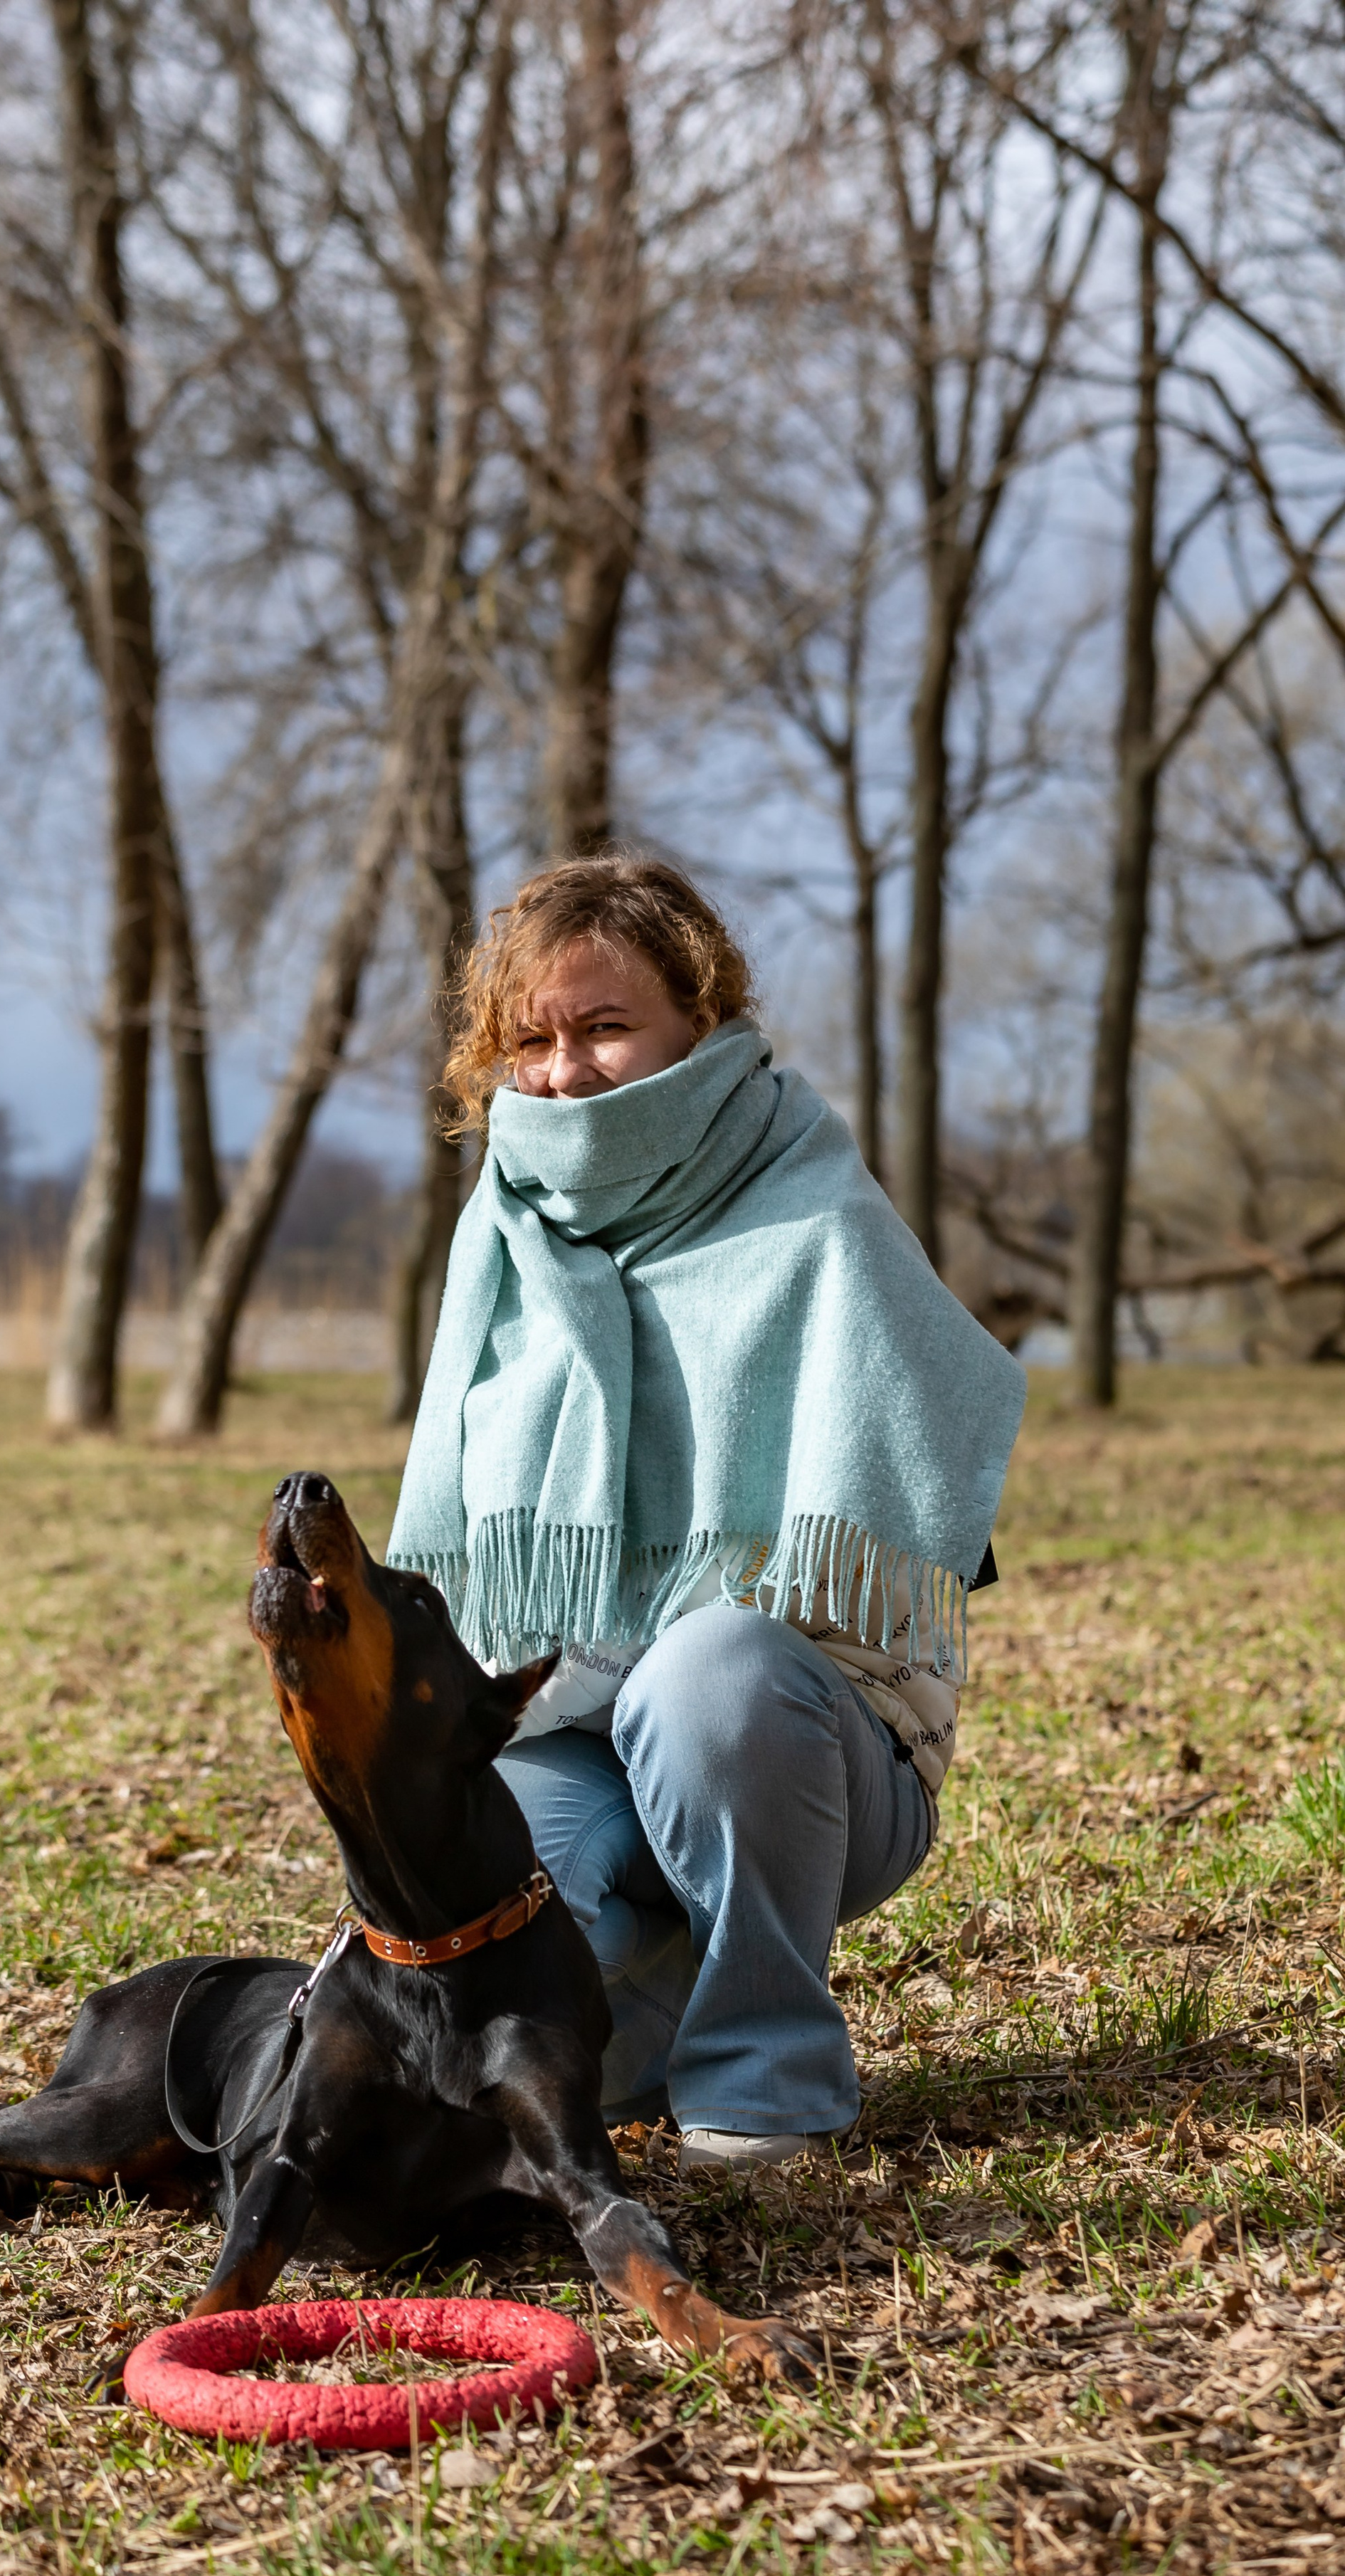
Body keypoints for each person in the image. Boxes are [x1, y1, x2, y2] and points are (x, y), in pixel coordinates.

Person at [387, 854, 1025, 2176]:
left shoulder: (815, 1209)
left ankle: (766, 2080)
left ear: (701, 1016)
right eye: (533, 1039)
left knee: (709, 1667)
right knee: (480, 1942)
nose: (565, 1072)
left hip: (806, 1739)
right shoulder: (501, 1233)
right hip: (571, 1721)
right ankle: (642, 2035)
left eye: (606, 1026)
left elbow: (929, 1468)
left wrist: (700, 1610)